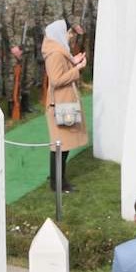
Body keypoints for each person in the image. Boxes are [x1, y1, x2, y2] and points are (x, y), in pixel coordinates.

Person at [43, 20, 86, 193]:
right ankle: (57, 182)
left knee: (63, 145)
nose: (70, 36)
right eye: (68, 33)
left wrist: (74, 62)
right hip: (61, 101)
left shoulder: (58, 50)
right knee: (60, 146)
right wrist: (78, 70)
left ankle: (58, 178)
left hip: (64, 100)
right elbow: (56, 80)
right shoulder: (55, 53)